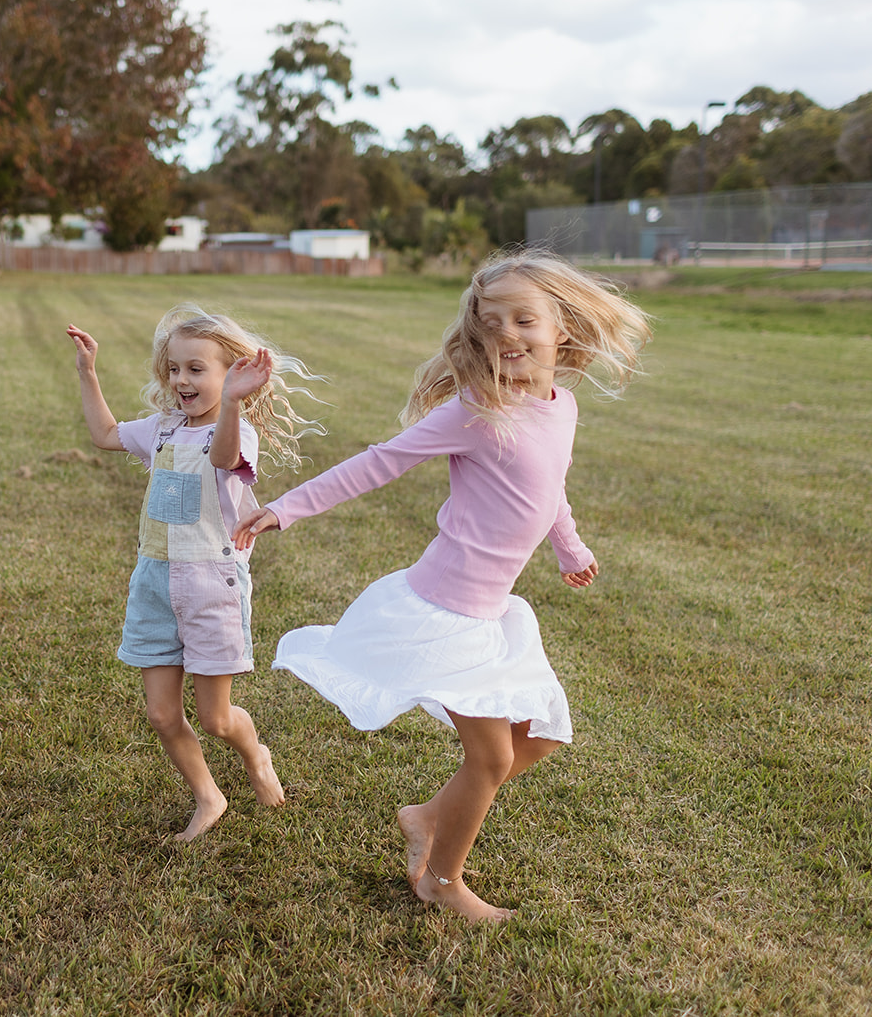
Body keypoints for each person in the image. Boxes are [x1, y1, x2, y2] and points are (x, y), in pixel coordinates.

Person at [234, 250, 651, 922]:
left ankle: (428, 814)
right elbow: (378, 464)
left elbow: (549, 487)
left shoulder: (561, 407)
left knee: (540, 737)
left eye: (525, 319)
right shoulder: (475, 411)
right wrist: (286, 508)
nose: (508, 335)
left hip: (490, 617)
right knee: (488, 758)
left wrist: (570, 546)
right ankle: (441, 880)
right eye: (493, 324)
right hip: (440, 612)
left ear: (562, 329)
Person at [67, 306, 322, 841]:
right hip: (155, 583)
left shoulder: (236, 433)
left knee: (216, 719)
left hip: (210, 585)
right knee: (162, 715)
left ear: (231, 376)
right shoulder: (162, 428)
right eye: (175, 369)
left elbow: (224, 457)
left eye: (196, 369)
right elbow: (106, 434)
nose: (182, 380)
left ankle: (255, 754)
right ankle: (209, 796)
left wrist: (230, 404)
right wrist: (89, 372)